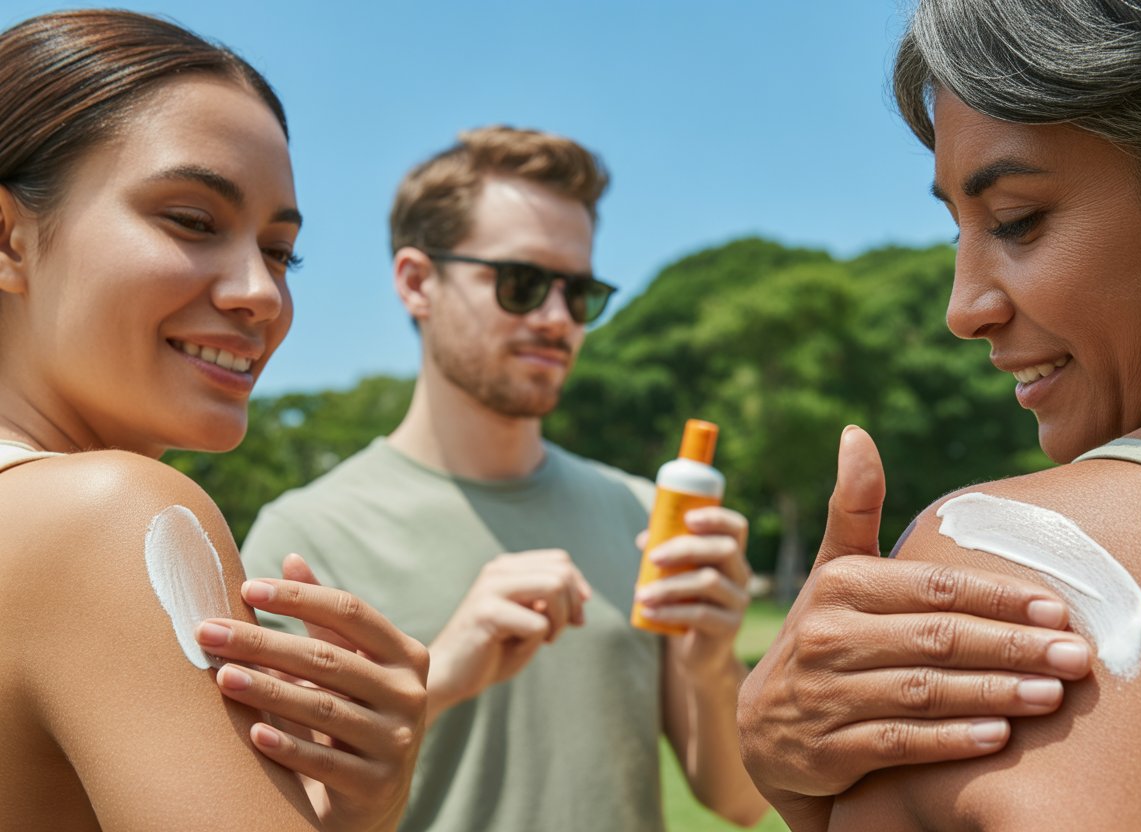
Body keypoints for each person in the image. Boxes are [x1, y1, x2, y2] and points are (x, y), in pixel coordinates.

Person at [738, 0, 1141, 828]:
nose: (964, 309)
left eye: (1015, 221)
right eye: (959, 228)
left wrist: (829, 806)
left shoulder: (999, 566)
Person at [241, 125, 772, 831]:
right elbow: (282, 816)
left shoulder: (640, 514)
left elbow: (737, 803)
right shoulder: (305, 540)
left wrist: (710, 663)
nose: (558, 320)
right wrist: (442, 673)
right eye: (522, 284)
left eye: (580, 293)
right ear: (417, 282)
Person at [0, 10, 429, 830]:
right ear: (7, 237)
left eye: (279, 251)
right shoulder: (111, 515)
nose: (262, 294)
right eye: (192, 221)